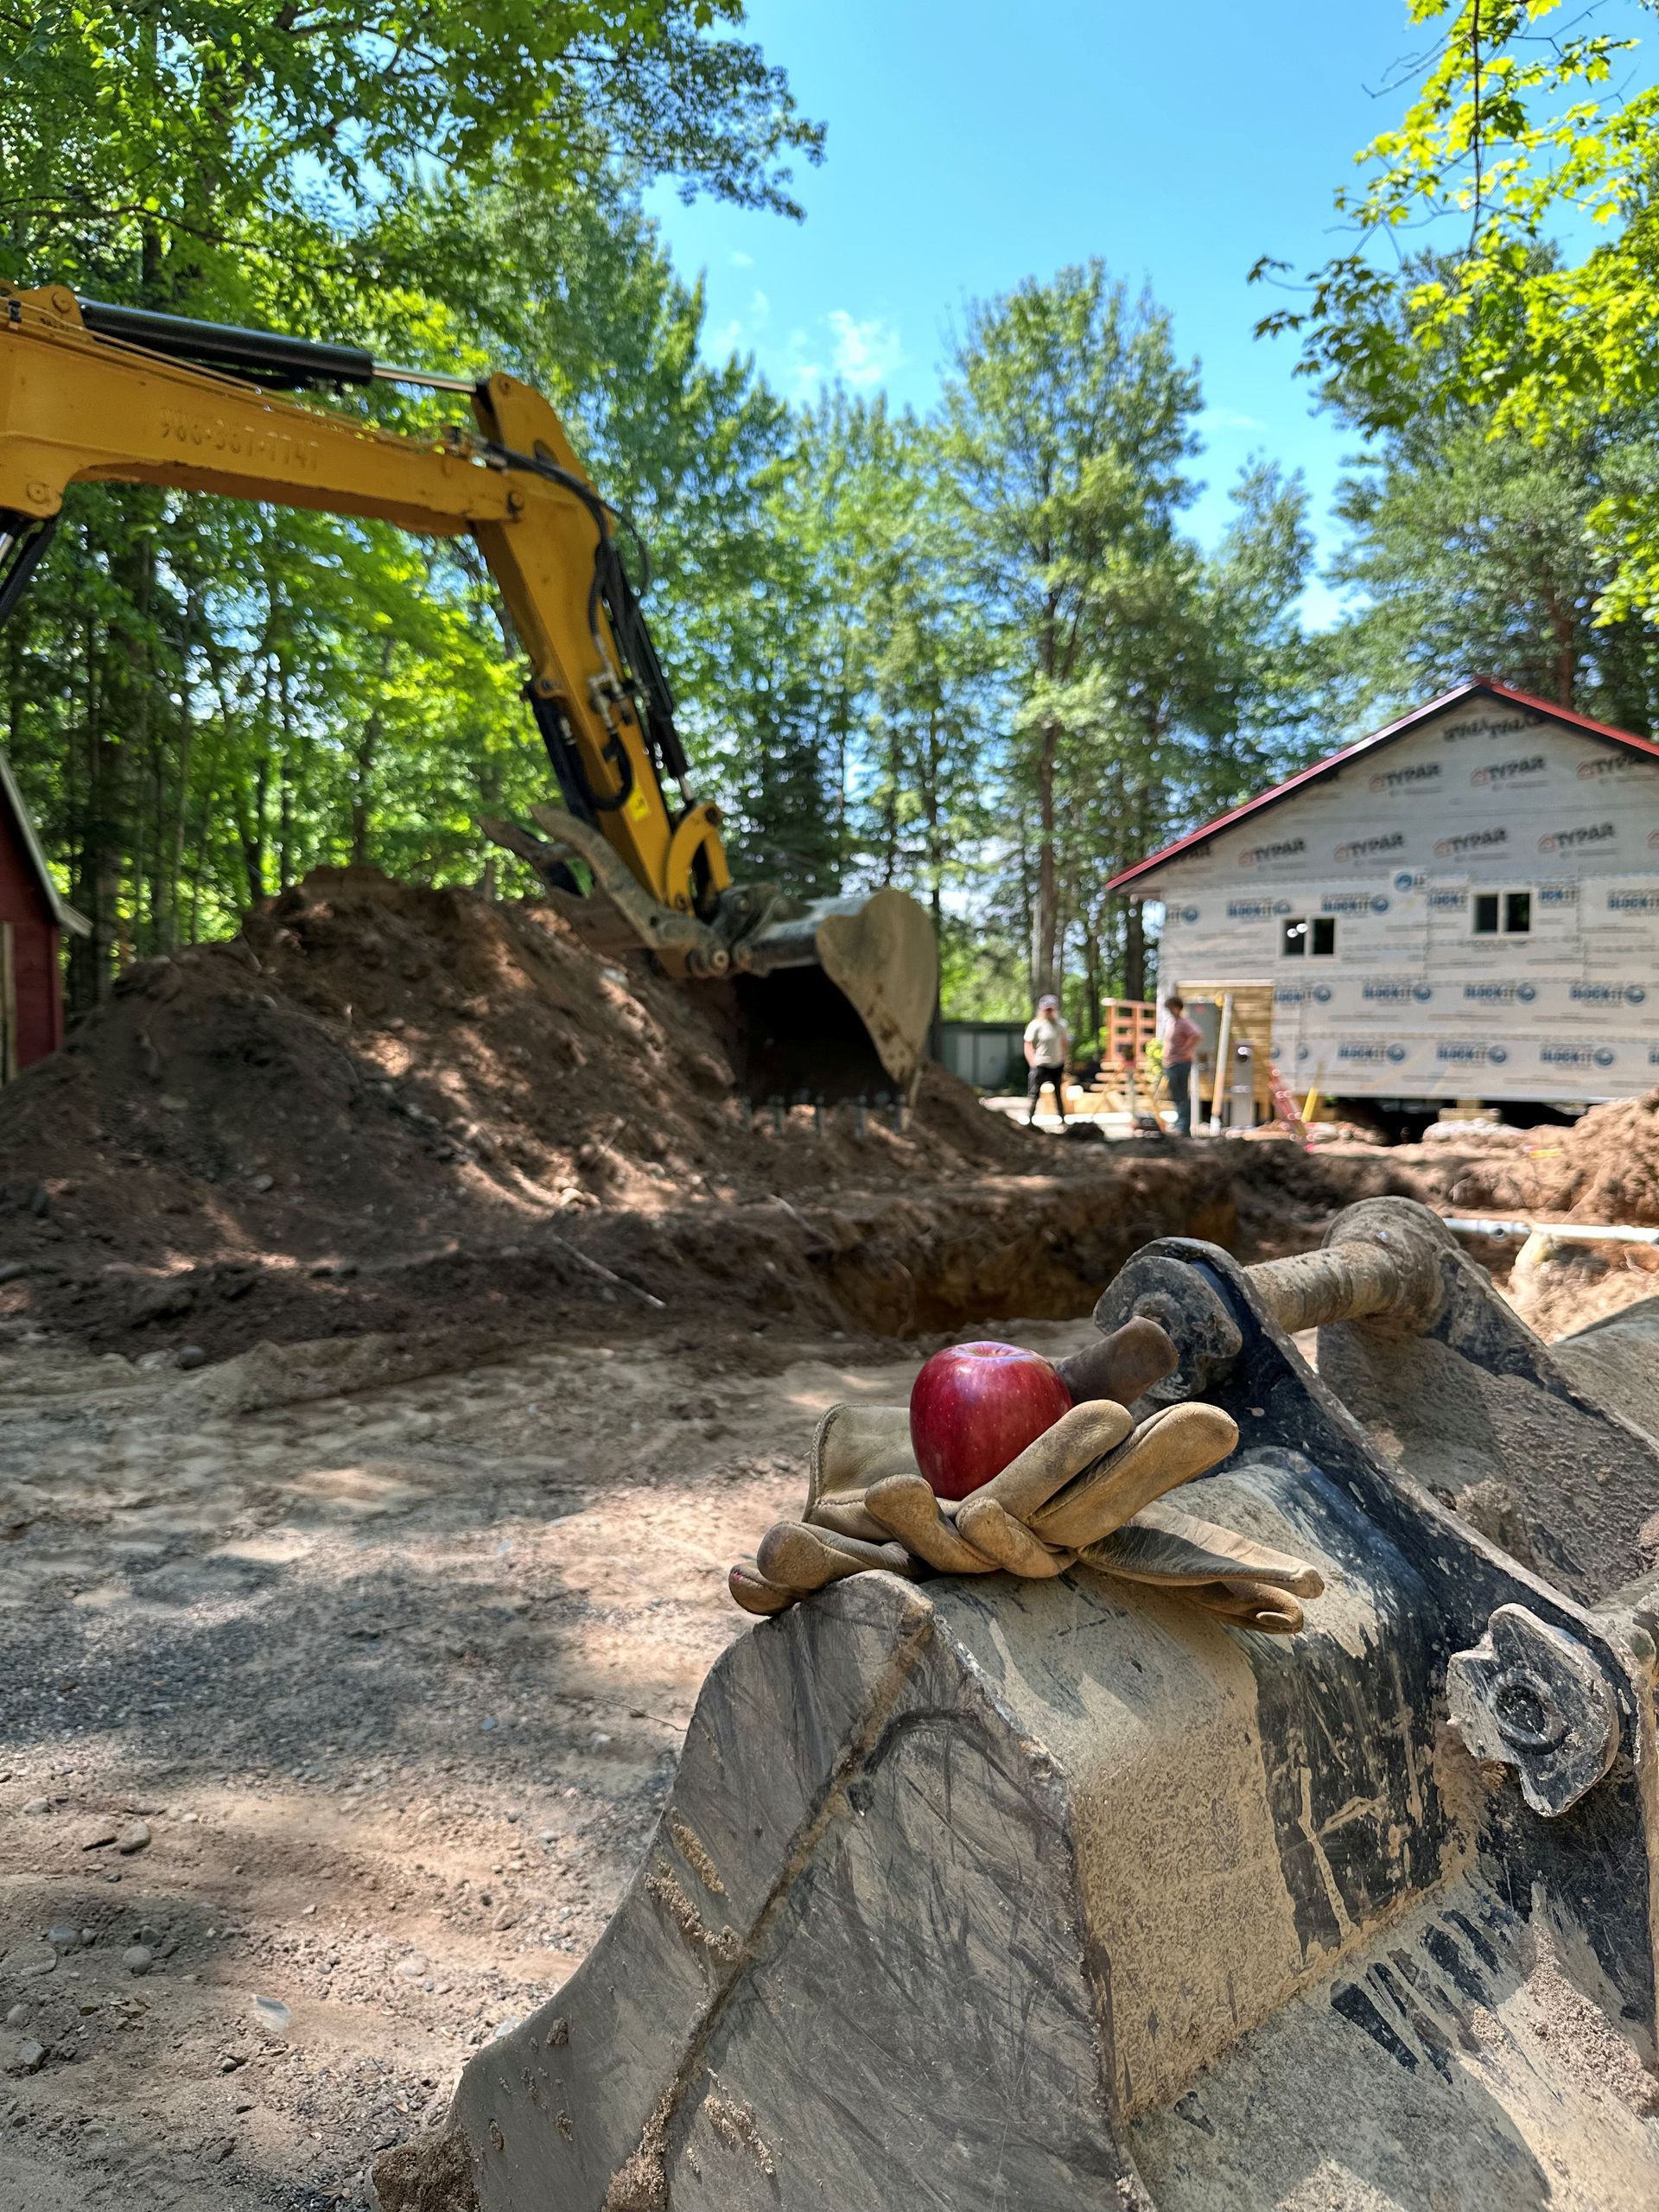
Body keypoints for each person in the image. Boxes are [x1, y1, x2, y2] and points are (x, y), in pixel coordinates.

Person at [1023, 994, 1070, 1124]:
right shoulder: (1036, 1025)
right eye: (1046, 1009)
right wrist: (1032, 1063)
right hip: (1041, 1064)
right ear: (1042, 1009)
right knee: (1034, 1093)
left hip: (1057, 1063)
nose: (1049, 1012)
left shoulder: (1061, 1025)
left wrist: (1065, 1059)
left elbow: (1064, 1043)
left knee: (1058, 1093)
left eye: (1051, 1009)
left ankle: (1062, 1119)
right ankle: (1030, 1119)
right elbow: (1028, 1045)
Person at [1162, 995, 1201, 1135]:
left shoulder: (1184, 1022)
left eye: (1171, 1008)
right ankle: (1179, 1122)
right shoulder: (1172, 1022)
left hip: (1181, 1063)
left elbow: (1196, 1034)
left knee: (1182, 1095)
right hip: (1171, 1063)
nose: (1170, 1011)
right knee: (1176, 1095)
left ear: (1177, 1007)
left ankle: (1183, 1126)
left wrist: (1186, 1050)